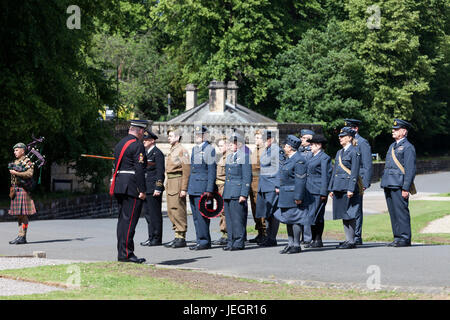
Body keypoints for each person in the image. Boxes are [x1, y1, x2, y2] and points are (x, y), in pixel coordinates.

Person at [111, 120, 148, 263]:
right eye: (143, 132)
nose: (143, 135)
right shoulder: (137, 144)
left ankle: (122, 252)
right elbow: (139, 169)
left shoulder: (120, 143)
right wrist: (142, 189)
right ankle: (126, 254)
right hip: (132, 186)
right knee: (130, 222)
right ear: (139, 131)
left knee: (122, 221)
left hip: (120, 184)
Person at [380, 119, 416, 247]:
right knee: (393, 212)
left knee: (401, 212)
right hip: (389, 183)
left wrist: (406, 187)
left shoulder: (408, 147)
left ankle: (405, 238)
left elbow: (410, 169)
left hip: (399, 184)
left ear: (404, 131)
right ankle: (397, 237)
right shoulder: (392, 146)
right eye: (393, 129)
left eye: (396, 129)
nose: (393, 131)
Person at [328, 127, 362, 249]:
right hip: (338, 186)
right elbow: (334, 171)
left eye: (342, 136)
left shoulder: (354, 151)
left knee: (350, 214)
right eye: (340, 137)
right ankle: (348, 239)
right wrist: (331, 188)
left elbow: (354, 172)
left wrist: (351, 188)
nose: (340, 138)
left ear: (349, 138)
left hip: (348, 187)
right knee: (344, 214)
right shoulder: (339, 152)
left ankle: (351, 241)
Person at [274, 135, 308, 254]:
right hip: (286, 194)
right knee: (288, 219)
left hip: (293, 194)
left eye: (286, 146)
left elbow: (300, 180)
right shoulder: (289, 159)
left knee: (295, 220)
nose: (284, 147)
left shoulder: (299, 159)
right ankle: (290, 243)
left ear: (291, 148)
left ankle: (296, 245)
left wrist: (298, 196)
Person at [344, 118, 373, 245]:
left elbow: (367, 165)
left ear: (356, 129)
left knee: (356, 208)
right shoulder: (347, 144)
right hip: (347, 180)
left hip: (358, 181)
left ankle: (356, 236)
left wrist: (365, 183)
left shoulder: (362, 143)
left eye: (350, 128)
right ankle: (350, 236)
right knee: (348, 208)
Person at [187, 125, 217, 250]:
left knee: (202, 216)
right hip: (194, 186)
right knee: (195, 216)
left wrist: (209, 189)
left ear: (205, 136)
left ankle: (204, 241)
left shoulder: (209, 149)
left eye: (199, 134)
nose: (197, 136)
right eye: (196, 134)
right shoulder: (195, 149)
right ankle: (200, 239)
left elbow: (211, 171)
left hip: (203, 187)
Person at [222, 133, 252, 251]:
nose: (230, 146)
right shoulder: (230, 157)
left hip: (238, 191)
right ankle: (230, 241)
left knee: (237, 219)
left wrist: (243, 194)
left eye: (232, 143)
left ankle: (239, 242)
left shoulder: (244, 157)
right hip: (229, 191)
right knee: (229, 219)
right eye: (229, 144)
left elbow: (246, 177)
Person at [256, 130, 285, 247]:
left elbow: (280, 169)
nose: (263, 142)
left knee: (273, 213)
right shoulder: (267, 150)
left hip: (272, 185)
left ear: (271, 139)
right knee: (267, 212)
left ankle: (272, 238)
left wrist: (278, 185)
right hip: (264, 185)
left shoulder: (277, 151)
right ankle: (268, 237)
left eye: (265, 140)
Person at [164, 126, 190, 248]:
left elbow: (186, 170)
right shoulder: (172, 149)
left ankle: (181, 236)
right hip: (170, 181)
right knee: (171, 210)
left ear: (178, 136)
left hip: (178, 181)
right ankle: (176, 235)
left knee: (178, 209)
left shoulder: (182, 150)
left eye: (171, 136)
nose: (169, 138)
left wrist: (184, 188)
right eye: (168, 136)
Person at [304, 135, 332, 248]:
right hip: (309, 190)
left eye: (312, 144)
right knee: (311, 216)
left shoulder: (324, 157)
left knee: (317, 215)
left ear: (319, 145)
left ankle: (318, 239)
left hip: (317, 190)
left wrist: (323, 192)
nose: (310, 146)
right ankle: (313, 239)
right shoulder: (310, 156)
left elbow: (326, 176)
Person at [140, 130, 165, 247]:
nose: (144, 141)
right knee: (148, 214)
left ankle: (156, 237)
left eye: (146, 140)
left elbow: (160, 172)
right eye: (143, 140)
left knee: (155, 214)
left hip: (153, 188)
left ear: (152, 141)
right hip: (146, 187)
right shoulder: (145, 153)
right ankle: (150, 237)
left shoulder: (157, 153)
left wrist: (158, 187)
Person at [8, 142, 36, 245]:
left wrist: (16, 173)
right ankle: (20, 235)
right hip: (16, 190)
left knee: (23, 215)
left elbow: (29, 173)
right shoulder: (16, 161)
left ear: (22, 151)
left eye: (16, 150)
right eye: (14, 150)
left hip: (23, 190)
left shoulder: (27, 161)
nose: (14, 152)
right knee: (19, 215)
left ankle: (23, 236)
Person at [248, 130, 267, 244]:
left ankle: (265, 233)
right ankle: (260, 231)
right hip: (252, 183)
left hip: (260, 182)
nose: (256, 140)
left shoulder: (265, 151)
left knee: (261, 209)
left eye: (259, 138)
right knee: (255, 209)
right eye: (255, 138)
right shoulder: (255, 150)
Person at [299, 129, 315, 244]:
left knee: (308, 212)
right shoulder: (299, 151)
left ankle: (307, 237)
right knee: (300, 211)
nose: (301, 139)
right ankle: (301, 236)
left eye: (304, 138)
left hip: (309, 186)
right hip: (300, 185)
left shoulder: (311, 152)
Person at [212, 135, 229, 245]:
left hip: (225, 186)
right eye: (218, 146)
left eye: (222, 145)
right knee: (221, 210)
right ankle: (224, 233)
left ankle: (226, 234)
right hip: (219, 186)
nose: (219, 148)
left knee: (225, 211)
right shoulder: (220, 157)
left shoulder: (229, 157)